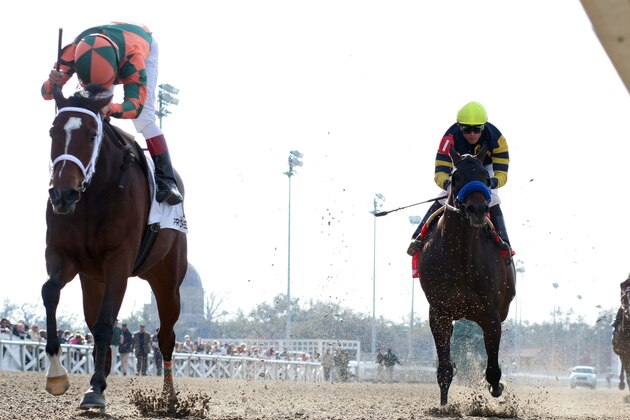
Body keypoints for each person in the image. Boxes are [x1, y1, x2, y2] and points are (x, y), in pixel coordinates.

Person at [40, 22, 183, 205]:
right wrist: (52, 82)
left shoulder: (134, 60)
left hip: (139, 43)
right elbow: (46, 94)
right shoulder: (72, 52)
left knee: (145, 120)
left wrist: (111, 108)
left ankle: (166, 179)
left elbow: (135, 106)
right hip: (108, 42)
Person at [407, 101, 511, 260]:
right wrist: (448, 185)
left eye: (477, 129)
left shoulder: (497, 138)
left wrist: (493, 182)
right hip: (460, 167)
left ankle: (504, 242)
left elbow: (502, 173)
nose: (472, 134)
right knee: (443, 197)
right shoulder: (449, 138)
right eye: (466, 129)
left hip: (484, 168)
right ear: (459, 126)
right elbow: (440, 172)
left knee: (493, 198)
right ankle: (418, 237)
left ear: (484, 126)